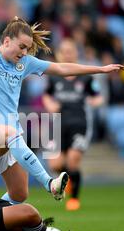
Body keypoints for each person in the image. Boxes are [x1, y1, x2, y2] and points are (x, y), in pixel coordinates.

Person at [0, 17, 124, 206]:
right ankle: (50, 184)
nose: (24, 52)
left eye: (27, 48)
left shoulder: (24, 63)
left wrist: (100, 69)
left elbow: (62, 68)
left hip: (7, 139)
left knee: (19, 194)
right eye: (22, 46)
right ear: (7, 41)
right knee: (12, 133)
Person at [42, 38, 104, 211]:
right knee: (54, 164)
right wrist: (50, 104)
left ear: (76, 53)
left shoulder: (85, 77)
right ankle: (67, 180)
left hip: (79, 123)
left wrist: (95, 101)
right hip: (57, 124)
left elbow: (98, 96)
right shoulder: (54, 76)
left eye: (71, 50)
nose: (67, 53)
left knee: (73, 161)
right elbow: (46, 95)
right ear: (60, 53)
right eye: (64, 50)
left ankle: (74, 199)